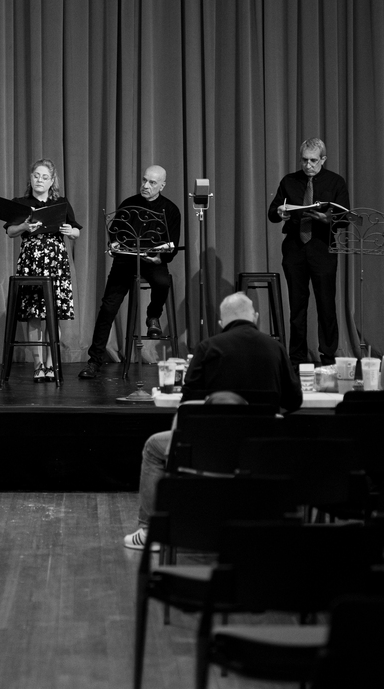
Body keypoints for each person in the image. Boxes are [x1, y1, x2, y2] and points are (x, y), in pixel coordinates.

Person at [125, 293, 302, 550]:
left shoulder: (209, 347)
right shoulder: (275, 348)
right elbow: (294, 401)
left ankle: (151, 531)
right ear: (255, 317)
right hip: (261, 449)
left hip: (209, 449)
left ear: (221, 322)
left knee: (154, 447)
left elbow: (187, 404)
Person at [79, 165, 182, 380]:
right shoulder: (129, 204)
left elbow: (172, 244)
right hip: (126, 260)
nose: (146, 185)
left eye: (152, 182)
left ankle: (153, 316)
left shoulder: (170, 210)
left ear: (162, 185)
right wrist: (114, 246)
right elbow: (115, 234)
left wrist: (160, 257)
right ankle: (94, 361)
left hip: (152, 261)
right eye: (144, 180)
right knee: (108, 308)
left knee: (163, 283)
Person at [267, 138, 350, 366]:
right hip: (295, 247)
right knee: (297, 305)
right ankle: (297, 357)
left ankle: (328, 356)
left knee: (326, 304)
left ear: (323, 159)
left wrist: (326, 219)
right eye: (304, 160)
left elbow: (345, 218)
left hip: (322, 246)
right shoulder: (290, 181)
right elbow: (272, 212)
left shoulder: (335, 182)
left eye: (313, 160)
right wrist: (280, 212)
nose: (308, 165)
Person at [3, 159, 82, 381]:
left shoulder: (60, 203)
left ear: (51, 181)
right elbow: (10, 232)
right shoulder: (21, 202)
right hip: (31, 260)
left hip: (56, 261)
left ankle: (50, 365)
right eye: (36, 175)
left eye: (45, 177)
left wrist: (70, 230)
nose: (40, 180)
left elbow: (76, 231)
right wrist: (24, 227)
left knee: (52, 315)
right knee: (33, 315)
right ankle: (38, 365)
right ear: (30, 178)